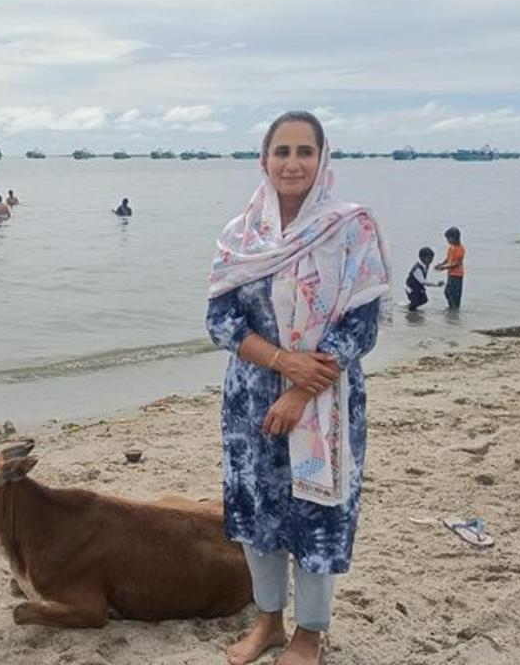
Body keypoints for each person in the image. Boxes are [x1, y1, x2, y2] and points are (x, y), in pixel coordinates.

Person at [207, 111, 391, 665]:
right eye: (281, 152)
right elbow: (220, 318)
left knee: (318, 513)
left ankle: (308, 634)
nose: (292, 163)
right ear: (264, 160)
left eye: (304, 151)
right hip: (250, 404)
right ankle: (267, 624)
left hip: (326, 402)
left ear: (322, 158)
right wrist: (283, 361)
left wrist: (299, 390)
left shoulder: (350, 227)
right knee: (258, 511)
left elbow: (362, 325)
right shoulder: (241, 235)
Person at [434, 227, 465, 310]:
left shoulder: (460, 249)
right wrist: (441, 264)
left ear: (454, 238)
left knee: (453, 293)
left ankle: (454, 308)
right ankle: (452, 307)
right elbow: (448, 258)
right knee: (448, 292)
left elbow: (457, 263)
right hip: (450, 273)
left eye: (448, 238)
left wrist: (444, 267)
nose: (447, 240)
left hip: (457, 275)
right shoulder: (451, 247)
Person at [406, 247, 442, 311]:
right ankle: (410, 312)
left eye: (432, 258)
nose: (431, 260)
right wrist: (436, 284)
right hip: (411, 288)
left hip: (418, 286)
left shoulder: (425, 266)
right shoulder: (417, 269)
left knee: (424, 300)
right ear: (422, 258)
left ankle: (410, 310)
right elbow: (423, 282)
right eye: (429, 258)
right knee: (415, 302)